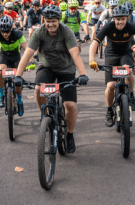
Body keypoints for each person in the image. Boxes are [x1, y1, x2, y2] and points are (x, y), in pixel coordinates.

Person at [14, 5, 89, 153]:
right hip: (46, 67)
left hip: (66, 69)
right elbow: (27, 54)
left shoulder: (66, 32)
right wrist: (18, 76)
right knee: (38, 89)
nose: (50, 24)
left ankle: (69, 134)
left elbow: (75, 54)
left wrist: (82, 74)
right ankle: (44, 116)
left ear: (59, 20)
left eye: (53, 21)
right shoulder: (39, 32)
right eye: (47, 21)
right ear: (44, 20)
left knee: (70, 105)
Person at [89, 5, 135, 126]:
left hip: (125, 54)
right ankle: (109, 110)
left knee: (128, 72)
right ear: (113, 18)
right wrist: (91, 59)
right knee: (111, 86)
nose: (120, 21)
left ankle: (131, 95)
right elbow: (95, 42)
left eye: (123, 19)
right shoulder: (108, 27)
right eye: (117, 19)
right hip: (111, 55)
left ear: (127, 18)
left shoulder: (131, 27)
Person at [0, 16, 28, 114]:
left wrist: (31, 62)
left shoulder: (17, 33)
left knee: (17, 81)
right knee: (0, 71)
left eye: (7, 32)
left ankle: (19, 101)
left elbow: (26, 49)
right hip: (4, 55)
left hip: (15, 56)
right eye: (3, 32)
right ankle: (1, 94)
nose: (5, 34)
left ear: (11, 28)